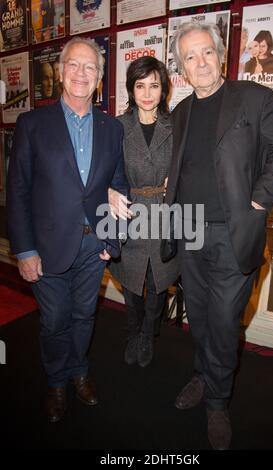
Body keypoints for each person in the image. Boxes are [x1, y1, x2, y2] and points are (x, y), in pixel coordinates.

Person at [162, 21, 273, 450]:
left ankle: (217, 401)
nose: (199, 63)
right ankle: (205, 376)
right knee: (199, 319)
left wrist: (259, 201)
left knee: (222, 321)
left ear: (220, 54)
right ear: (180, 69)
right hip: (190, 234)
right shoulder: (181, 112)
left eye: (206, 53)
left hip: (232, 235)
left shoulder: (254, 98)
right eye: (189, 57)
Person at [6, 37, 129, 423]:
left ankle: (78, 372)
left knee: (84, 316)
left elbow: (119, 186)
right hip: (46, 246)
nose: (81, 73)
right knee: (55, 319)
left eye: (90, 67)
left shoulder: (112, 128)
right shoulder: (32, 123)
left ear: (99, 78)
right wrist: (24, 250)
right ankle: (57, 380)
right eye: (73, 65)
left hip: (93, 247)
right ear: (60, 72)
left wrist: (111, 238)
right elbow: (19, 191)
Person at [109, 56, 179, 368]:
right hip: (128, 211)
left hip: (164, 212)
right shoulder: (117, 127)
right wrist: (108, 191)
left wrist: (176, 181)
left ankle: (149, 334)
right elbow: (102, 170)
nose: (148, 93)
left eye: (154, 85)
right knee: (130, 279)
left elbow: (191, 166)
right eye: (141, 85)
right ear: (131, 89)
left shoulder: (176, 125)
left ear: (164, 89)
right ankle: (133, 332)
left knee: (159, 279)